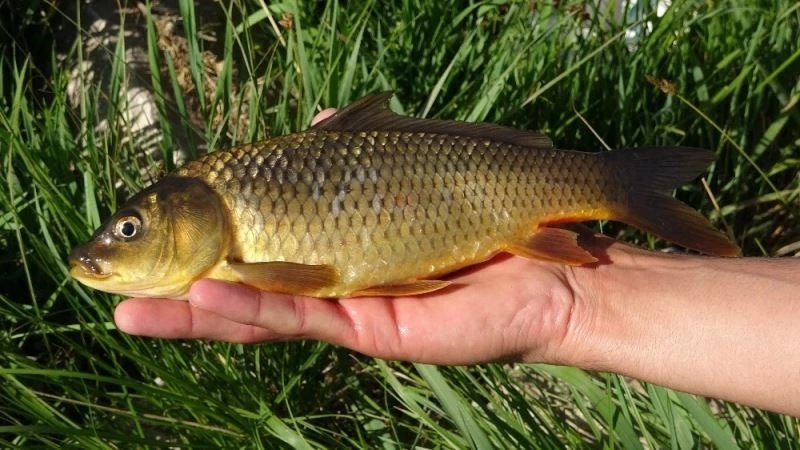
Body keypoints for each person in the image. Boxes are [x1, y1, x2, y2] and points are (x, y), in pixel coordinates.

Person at [114, 109, 800, 417]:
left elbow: (313, 279)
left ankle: (621, 182)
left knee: (606, 185)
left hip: (485, 195)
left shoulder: (242, 233)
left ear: (188, 210)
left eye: (130, 229)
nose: (112, 248)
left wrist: (586, 297)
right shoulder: (231, 219)